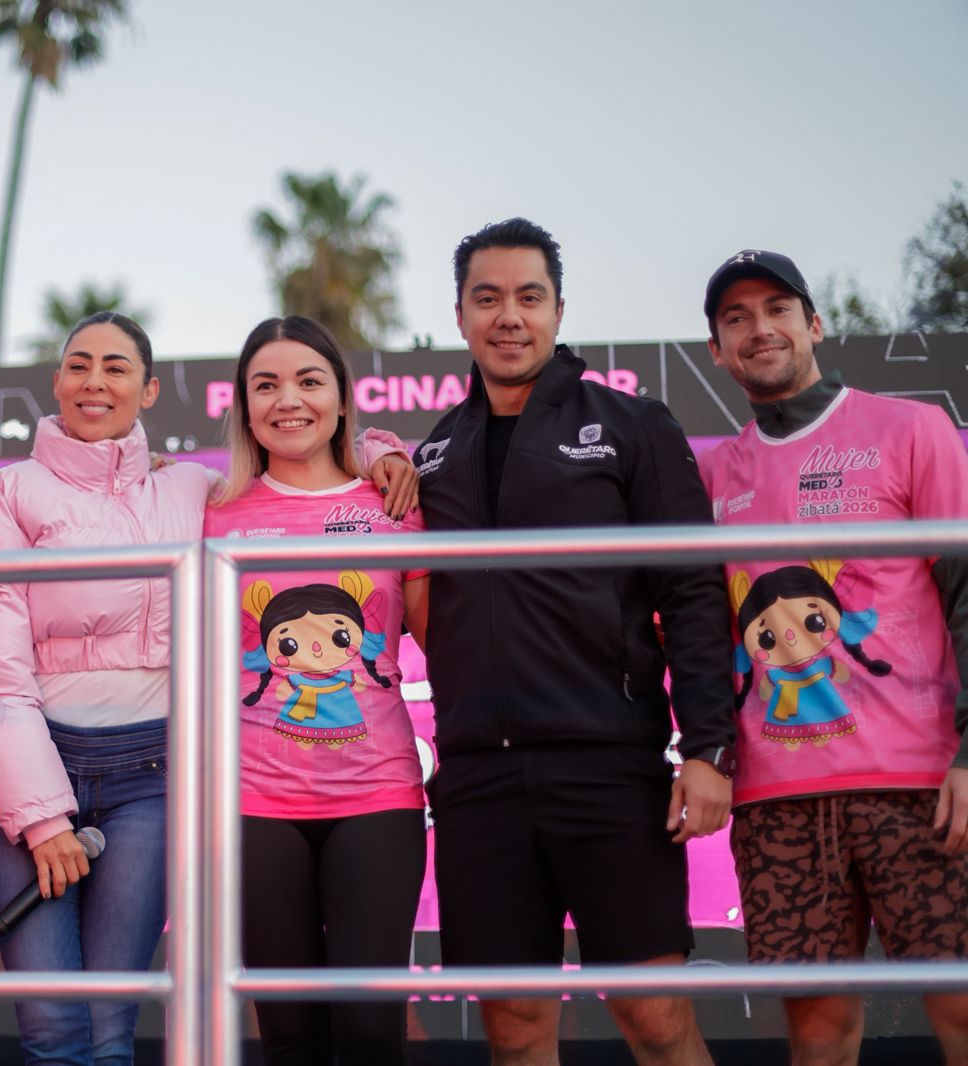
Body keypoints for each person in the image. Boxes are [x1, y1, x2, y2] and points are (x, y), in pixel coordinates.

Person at [0, 311, 416, 1065]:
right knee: (49, 1029)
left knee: (111, 1029)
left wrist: (380, 451)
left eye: (116, 366)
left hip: (153, 774)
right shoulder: (1, 498)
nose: (95, 380)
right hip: (37, 776)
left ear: (149, 389)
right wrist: (40, 817)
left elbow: (304, 453)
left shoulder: (195, 492)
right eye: (79, 364)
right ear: (57, 380)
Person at [414, 218, 736, 1066]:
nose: (508, 316)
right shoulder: (436, 452)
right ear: (459, 315)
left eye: (529, 296)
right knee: (514, 1030)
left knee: (656, 1019)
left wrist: (707, 748)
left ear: (559, 310)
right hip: (479, 777)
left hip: (609, 764)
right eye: (488, 298)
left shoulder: (634, 424)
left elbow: (695, 591)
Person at [699, 249, 968, 1066]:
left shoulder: (912, 428)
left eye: (777, 308)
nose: (759, 328)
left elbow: (966, 591)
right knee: (817, 1029)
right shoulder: (712, 472)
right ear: (716, 350)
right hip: (777, 795)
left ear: (814, 324)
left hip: (920, 784)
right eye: (736, 318)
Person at [203, 315, 429, 1066]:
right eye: (265, 384)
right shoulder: (212, 512)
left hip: (378, 795)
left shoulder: (392, 504)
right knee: (290, 1034)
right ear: (243, 405)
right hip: (252, 802)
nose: (287, 399)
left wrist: (385, 452)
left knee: (369, 1031)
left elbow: (440, 642)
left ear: (340, 398)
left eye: (308, 380)